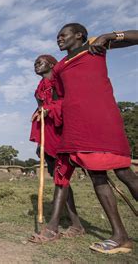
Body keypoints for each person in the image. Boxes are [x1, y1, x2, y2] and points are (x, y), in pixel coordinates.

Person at [34, 25, 137, 254]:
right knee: (97, 176)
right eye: (57, 36)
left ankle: (120, 235)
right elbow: (61, 96)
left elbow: (135, 37)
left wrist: (109, 36)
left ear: (79, 35)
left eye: (63, 35)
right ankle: (120, 236)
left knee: (124, 173)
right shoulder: (59, 67)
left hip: (102, 118)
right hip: (77, 126)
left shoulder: (94, 46)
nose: (58, 39)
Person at [28, 54, 84, 243]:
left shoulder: (61, 82)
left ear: (52, 64)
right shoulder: (39, 90)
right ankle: (76, 224)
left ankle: (65, 224)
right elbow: (42, 109)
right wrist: (40, 144)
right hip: (49, 135)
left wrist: (50, 109)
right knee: (60, 179)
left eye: (40, 61)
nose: (36, 64)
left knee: (73, 178)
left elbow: (69, 103)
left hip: (67, 132)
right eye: (35, 62)